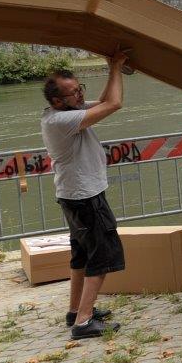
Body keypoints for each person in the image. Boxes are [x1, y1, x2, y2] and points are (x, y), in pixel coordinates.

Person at [40, 53, 128, 340]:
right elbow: (115, 104)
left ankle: (74, 310)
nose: (79, 95)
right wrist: (115, 66)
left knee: (80, 257)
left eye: (80, 89)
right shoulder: (62, 120)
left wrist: (111, 69)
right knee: (100, 257)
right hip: (85, 197)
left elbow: (104, 102)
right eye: (73, 92)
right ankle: (83, 321)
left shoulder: (64, 112)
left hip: (74, 195)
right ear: (56, 101)